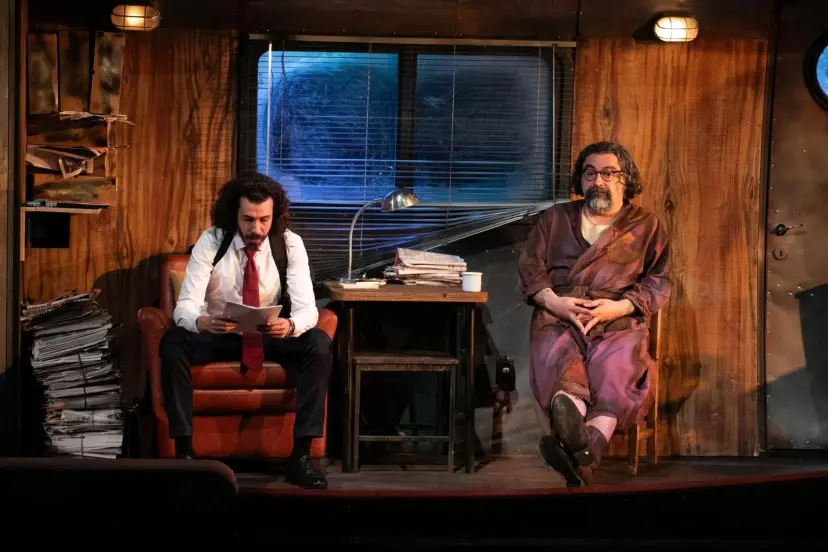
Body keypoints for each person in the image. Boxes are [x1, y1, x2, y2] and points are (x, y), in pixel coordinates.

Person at [159, 171, 332, 490]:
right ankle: (184, 455)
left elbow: (308, 308)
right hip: (220, 334)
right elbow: (185, 306)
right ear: (234, 214)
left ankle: (301, 456)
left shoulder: (289, 243)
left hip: (268, 336)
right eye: (248, 219)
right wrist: (202, 322)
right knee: (173, 341)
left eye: (264, 219)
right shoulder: (212, 240)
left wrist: (290, 325)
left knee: (318, 342)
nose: (257, 229)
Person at [518, 141, 671, 487]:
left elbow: (658, 281)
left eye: (608, 173)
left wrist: (620, 306)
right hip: (561, 312)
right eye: (590, 173)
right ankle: (579, 436)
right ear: (581, 179)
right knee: (558, 357)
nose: (598, 181)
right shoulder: (555, 219)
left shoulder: (646, 225)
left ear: (625, 178)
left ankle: (580, 452)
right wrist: (554, 302)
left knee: (617, 366)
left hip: (617, 316)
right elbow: (530, 268)